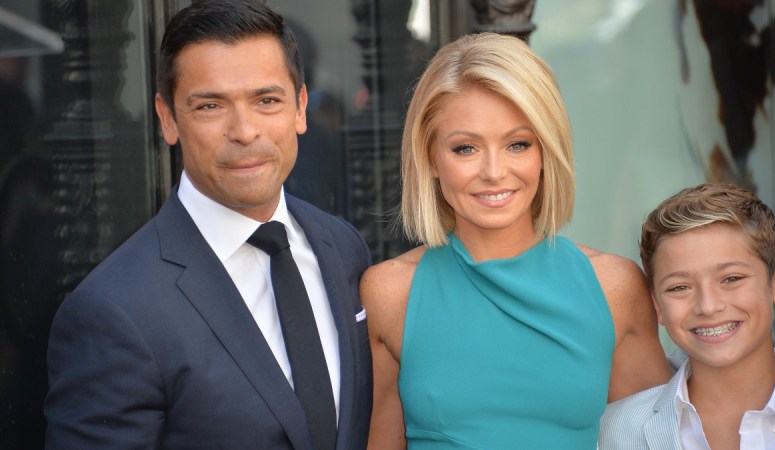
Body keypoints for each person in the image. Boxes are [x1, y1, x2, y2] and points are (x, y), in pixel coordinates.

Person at [44, 1, 372, 449]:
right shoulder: (114, 312)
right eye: (211, 105)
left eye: (267, 100)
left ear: (299, 108)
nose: (244, 130)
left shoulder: (342, 247)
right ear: (168, 119)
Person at [361, 32, 671, 449]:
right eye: (466, 148)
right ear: (430, 157)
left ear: (546, 151)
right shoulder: (389, 292)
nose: (494, 171)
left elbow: (653, 439)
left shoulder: (614, 287)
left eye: (518, 144)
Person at [599, 183, 775, 449]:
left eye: (731, 278)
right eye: (680, 287)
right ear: (657, 306)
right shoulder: (616, 433)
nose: (708, 306)